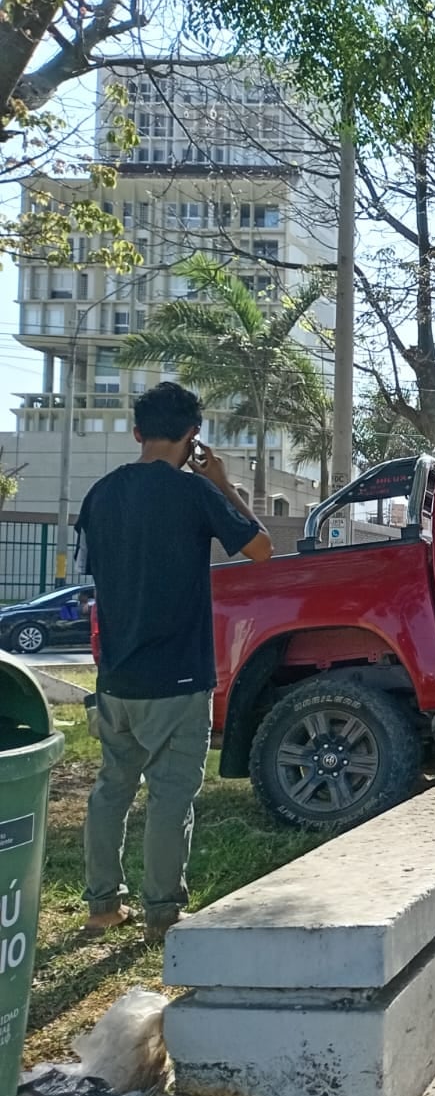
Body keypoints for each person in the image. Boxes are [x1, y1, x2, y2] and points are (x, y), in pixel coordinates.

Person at [75, 383, 272, 941]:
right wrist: (223, 484)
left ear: (137, 433)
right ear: (193, 437)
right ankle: (162, 913)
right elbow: (261, 550)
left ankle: (101, 906)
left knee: (111, 787)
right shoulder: (194, 493)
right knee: (169, 796)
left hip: (116, 675)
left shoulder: (100, 495)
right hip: (180, 677)